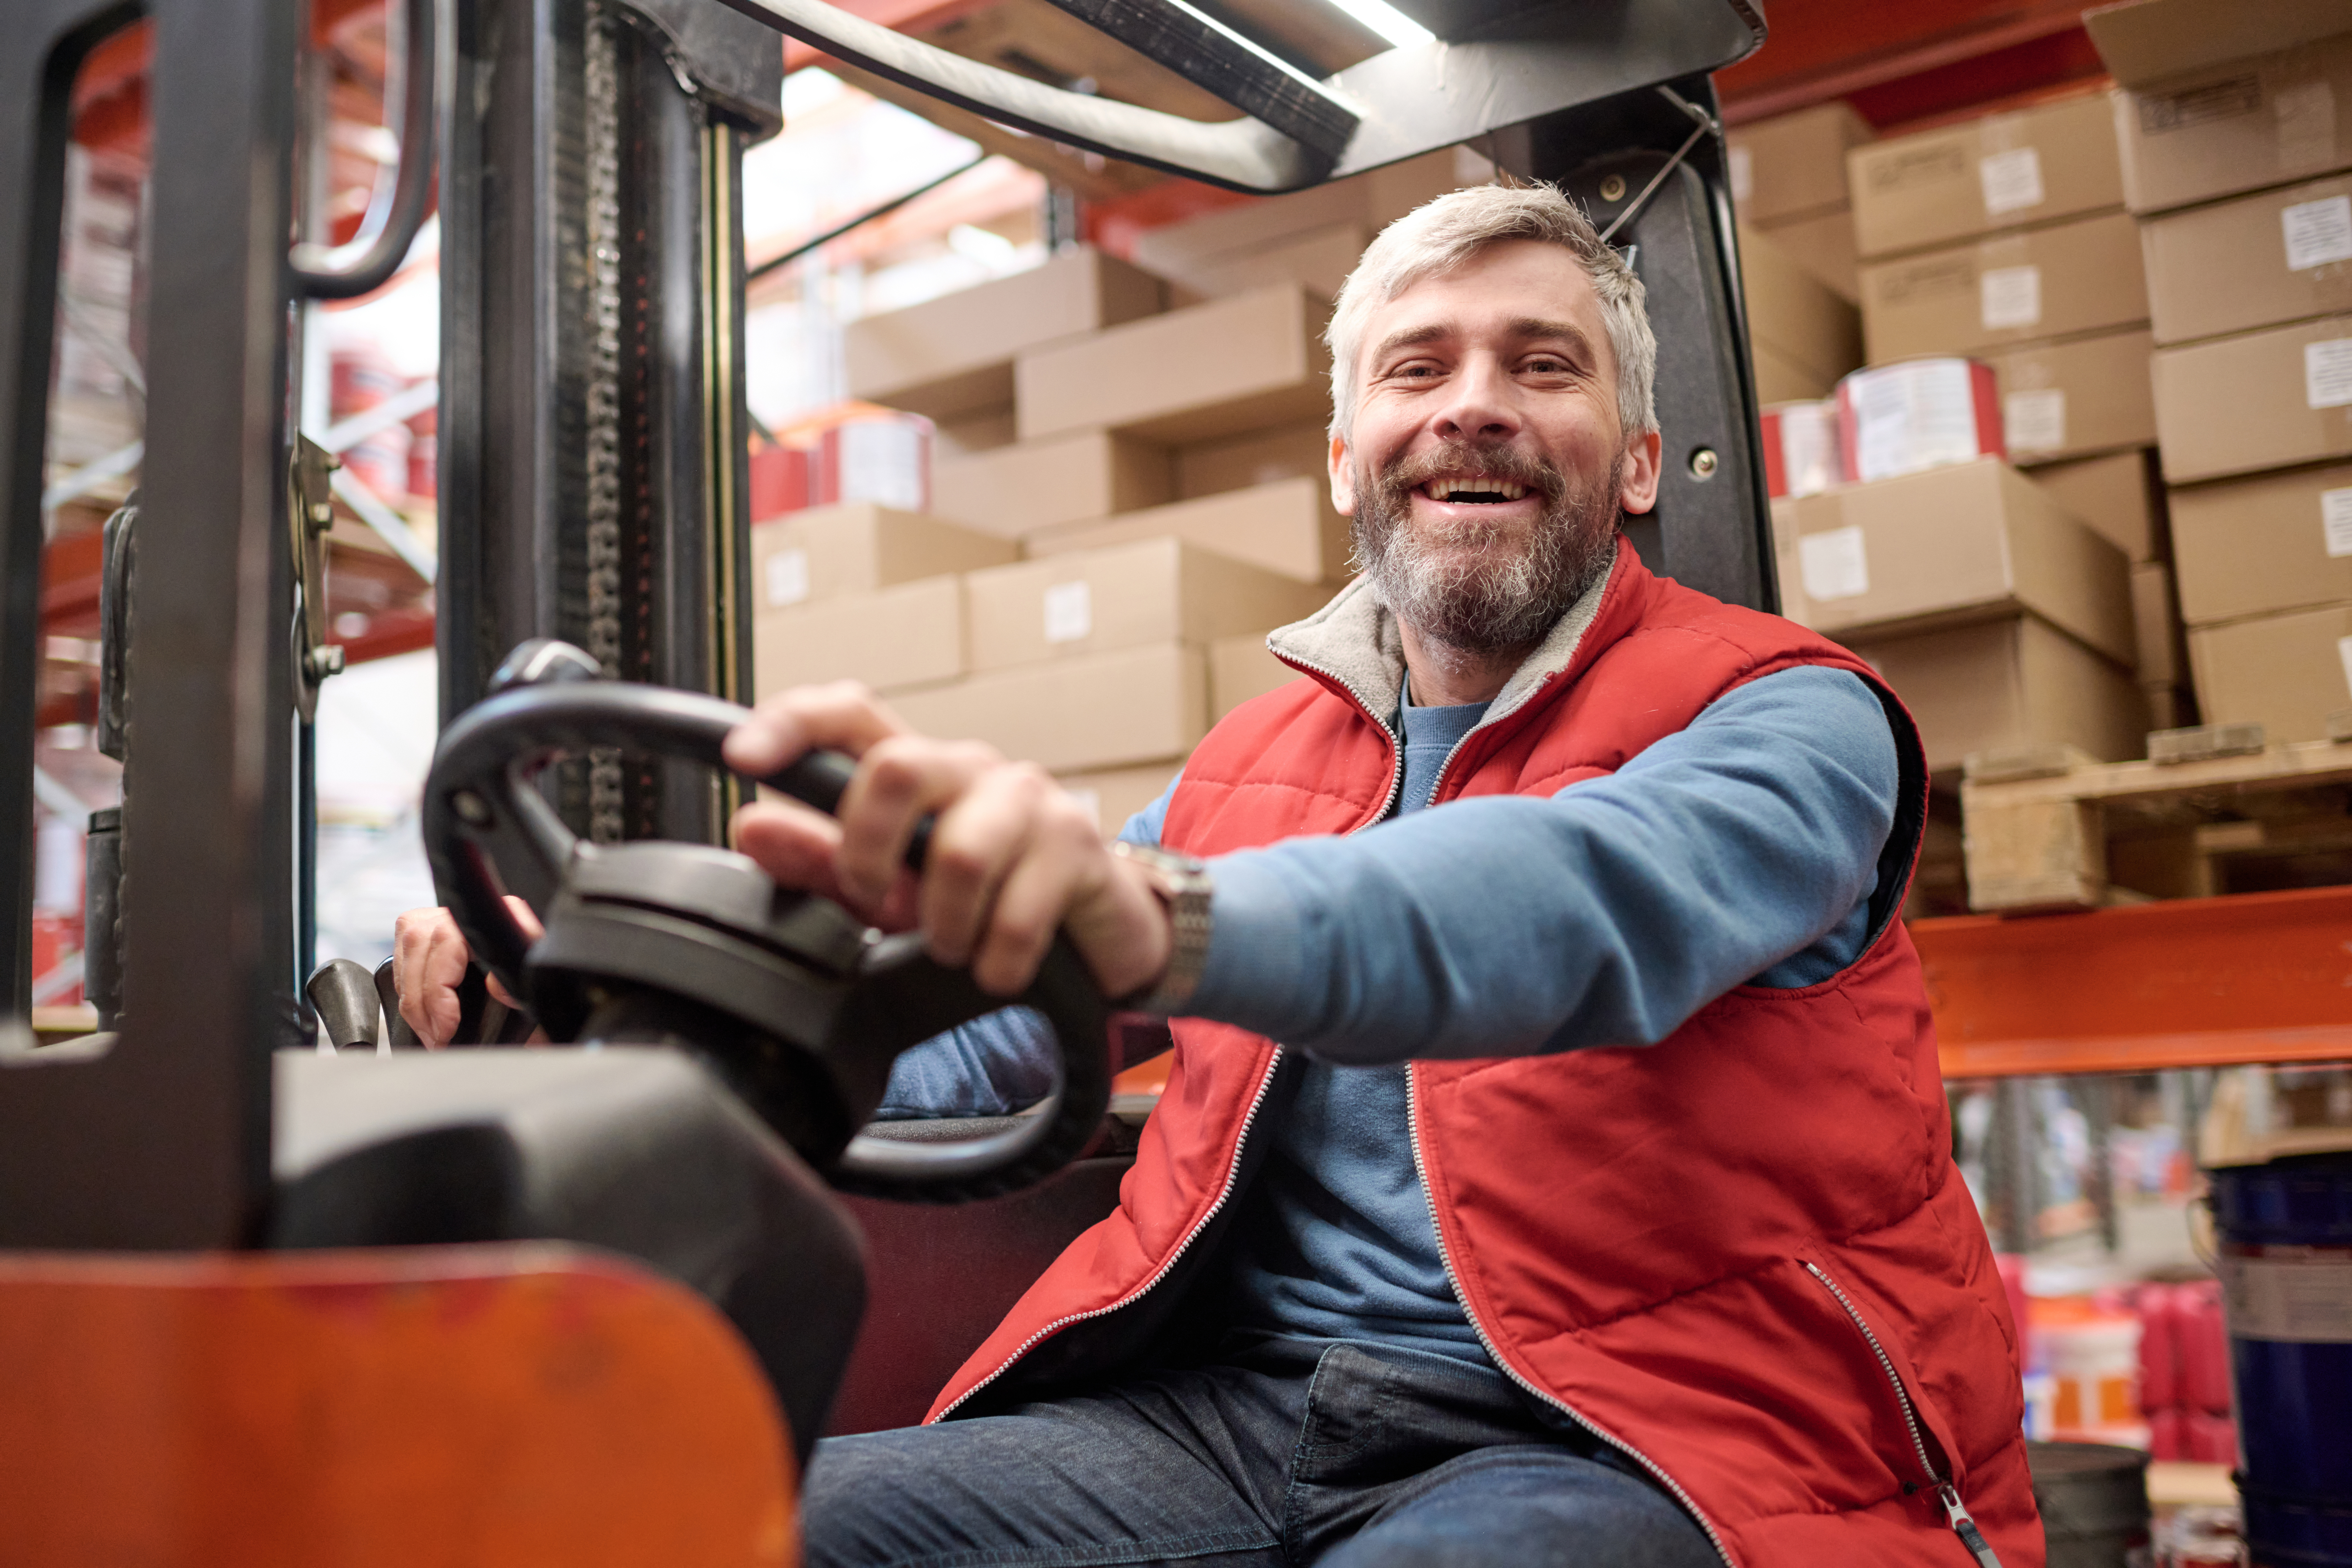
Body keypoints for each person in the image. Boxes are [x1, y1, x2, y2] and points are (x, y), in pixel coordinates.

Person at [397, 183, 2039, 1568]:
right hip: (1233, 1411)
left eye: (1543, 367)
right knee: (712, 1525)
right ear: (1348, 455)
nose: (1473, 401)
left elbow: (1566, 907)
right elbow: (975, 1035)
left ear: (1631, 463)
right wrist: (596, 1014)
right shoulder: (1248, 765)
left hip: (1634, 1428)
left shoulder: (1794, 720)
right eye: (1420, 367)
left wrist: (1160, 923)